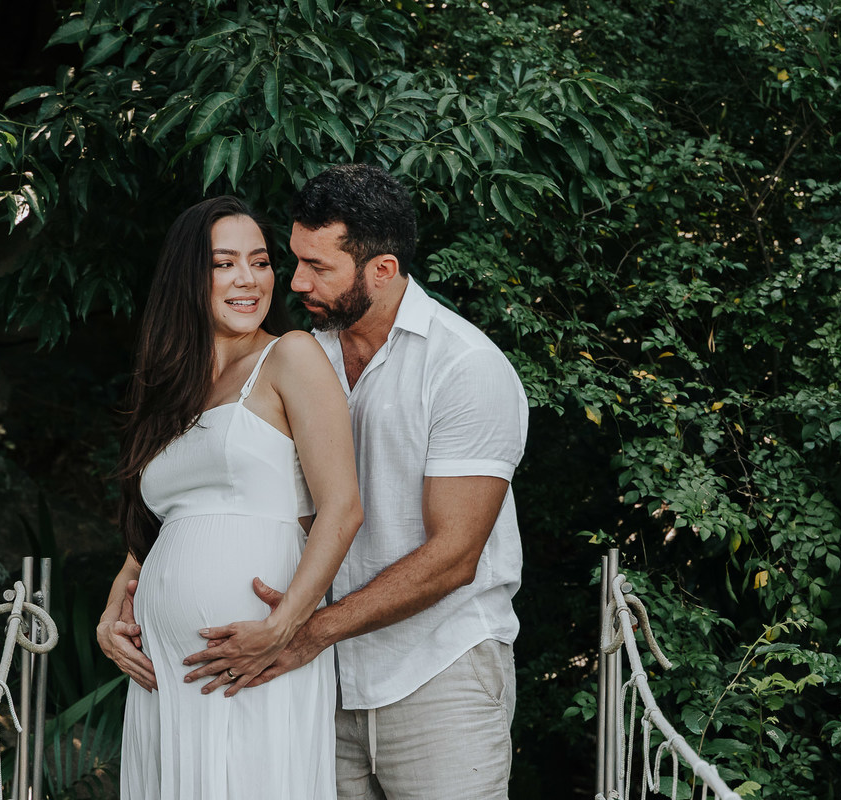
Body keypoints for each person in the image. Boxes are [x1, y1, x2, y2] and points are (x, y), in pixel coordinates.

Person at [183, 165, 530, 799]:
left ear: (383, 270)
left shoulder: (465, 367)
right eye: (296, 260)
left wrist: (304, 632)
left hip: (438, 673)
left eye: (319, 267)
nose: (296, 282)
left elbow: (455, 556)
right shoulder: (296, 356)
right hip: (320, 682)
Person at [96, 195, 363, 800]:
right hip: (165, 671)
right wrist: (118, 602)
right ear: (187, 277)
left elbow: (342, 507)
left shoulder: (290, 356)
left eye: (260, 261)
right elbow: (166, 519)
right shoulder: (170, 388)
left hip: (253, 655)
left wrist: (284, 626)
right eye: (224, 263)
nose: (249, 279)